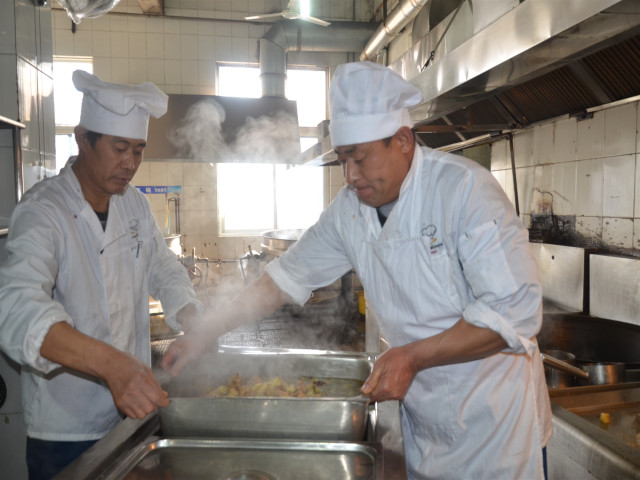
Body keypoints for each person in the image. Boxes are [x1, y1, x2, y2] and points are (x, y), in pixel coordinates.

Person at [162, 61, 552, 479]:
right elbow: (279, 281)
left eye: (360, 158)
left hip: (498, 430)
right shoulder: (350, 211)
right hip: (425, 424)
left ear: (402, 141)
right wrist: (205, 331)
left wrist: (412, 356)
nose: (350, 175)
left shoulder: (464, 191)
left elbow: (515, 314)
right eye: (343, 160)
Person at [0, 71, 203, 479]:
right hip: (65, 430)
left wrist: (194, 320)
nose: (130, 164)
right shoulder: (43, 211)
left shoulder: (134, 205)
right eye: (119, 148)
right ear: (83, 139)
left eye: (139, 151)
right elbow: (16, 307)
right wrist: (112, 365)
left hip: (130, 419)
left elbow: (163, 268)